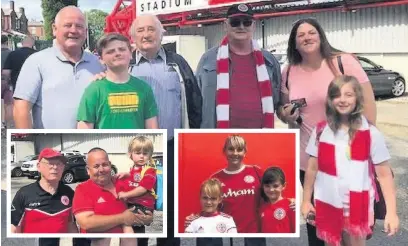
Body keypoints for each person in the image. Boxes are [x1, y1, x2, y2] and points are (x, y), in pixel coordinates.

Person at [276, 18, 377, 246]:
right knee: (319, 232)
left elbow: (369, 107)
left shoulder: (343, 62)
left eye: (311, 32)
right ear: (294, 43)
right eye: (300, 35)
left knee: (350, 231)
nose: (307, 37)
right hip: (308, 162)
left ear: (320, 36)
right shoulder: (289, 71)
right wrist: (286, 114)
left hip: (346, 161)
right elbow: (282, 109)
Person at [128, 14, 202, 246]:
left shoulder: (177, 63)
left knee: (168, 209)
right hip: (137, 150)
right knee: (138, 210)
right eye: (140, 30)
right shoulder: (123, 64)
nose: (146, 34)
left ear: (162, 35)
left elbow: (195, 101)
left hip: (171, 148)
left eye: (151, 30)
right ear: (132, 37)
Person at [302, 75, 399, 246]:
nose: (342, 100)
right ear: (330, 100)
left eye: (348, 94)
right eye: (336, 95)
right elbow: (312, 168)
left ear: (357, 98)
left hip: (357, 208)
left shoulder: (370, 133)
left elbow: (384, 175)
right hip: (327, 203)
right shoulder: (321, 131)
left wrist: (392, 212)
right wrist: (305, 200)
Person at [12, 6, 104, 129]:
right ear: (55, 29)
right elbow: (21, 109)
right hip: (49, 144)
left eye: (79, 26)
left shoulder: (97, 63)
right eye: (68, 25)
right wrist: (26, 143)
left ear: (85, 32)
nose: (74, 30)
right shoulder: (36, 62)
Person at [196, 3, 281, 129]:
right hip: (219, 140)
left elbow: (278, 101)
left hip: (260, 139)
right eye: (235, 22)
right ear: (226, 25)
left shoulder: (269, 61)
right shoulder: (208, 60)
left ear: (254, 25)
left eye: (246, 22)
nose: (241, 27)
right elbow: (196, 101)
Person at [77, 33, 158, 129]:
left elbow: (153, 131)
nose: (117, 53)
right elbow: (84, 131)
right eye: (110, 51)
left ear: (131, 54)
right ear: (101, 59)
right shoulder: (93, 90)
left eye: (122, 49)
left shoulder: (144, 88)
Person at [73, 148, 152, 245]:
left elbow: (143, 200)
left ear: (110, 165)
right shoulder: (82, 189)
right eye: (96, 166)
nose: (101, 169)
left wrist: (147, 218)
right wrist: (122, 218)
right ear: (88, 170)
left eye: (105, 165)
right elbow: (86, 222)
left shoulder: (123, 182)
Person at [11, 148, 77, 233]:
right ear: (39, 166)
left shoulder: (69, 192)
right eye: (50, 163)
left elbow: (71, 224)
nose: (55, 167)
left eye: (59, 164)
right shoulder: (24, 193)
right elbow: (14, 228)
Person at [116, 136, 157, 221]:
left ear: (150, 155)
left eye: (145, 153)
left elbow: (143, 189)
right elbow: (135, 177)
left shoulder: (150, 171)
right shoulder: (133, 168)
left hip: (142, 205)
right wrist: (126, 174)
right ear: (130, 154)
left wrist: (125, 194)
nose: (141, 156)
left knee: (125, 221)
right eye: (138, 153)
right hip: (132, 203)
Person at [259, 167, 295, 233]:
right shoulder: (261, 207)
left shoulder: (291, 206)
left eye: (275, 186)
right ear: (263, 186)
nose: (271, 190)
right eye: (267, 186)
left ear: (284, 186)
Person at [1, 34, 13, 128]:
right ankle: (7, 126)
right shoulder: (11, 53)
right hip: (8, 82)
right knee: (8, 105)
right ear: (7, 42)